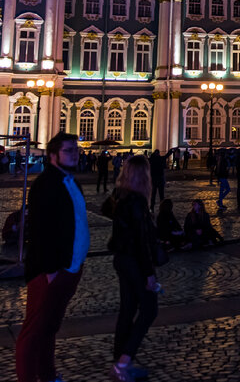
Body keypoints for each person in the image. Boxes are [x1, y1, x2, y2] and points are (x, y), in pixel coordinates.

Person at [16, 132, 89, 382]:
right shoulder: (45, 184)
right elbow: (41, 230)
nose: (74, 154)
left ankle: (47, 375)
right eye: (68, 150)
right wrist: (50, 271)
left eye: (75, 150)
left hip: (69, 267)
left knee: (49, 328)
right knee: (34, 331)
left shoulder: (72, 181)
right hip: (49, 271)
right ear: (53, 155)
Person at [107, 154, 160, 381]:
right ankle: (124, 361)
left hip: (122, 259)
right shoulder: (137, 201)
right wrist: (149, 275)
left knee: (128, 310)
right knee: (149, 309)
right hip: (134, 262)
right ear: (143, 175)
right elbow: (141, 241)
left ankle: (120, 364)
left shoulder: (121, 197)